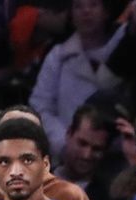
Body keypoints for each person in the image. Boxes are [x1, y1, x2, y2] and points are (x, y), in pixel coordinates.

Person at [27, 0, 124, 160]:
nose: (86, 12)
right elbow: (40, 106)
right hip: (66, 153)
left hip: (114, 154)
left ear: (106, 11)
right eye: (79, 6)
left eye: (93, 5)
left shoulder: (123, 51)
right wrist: (64, 143)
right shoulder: (58, 56)